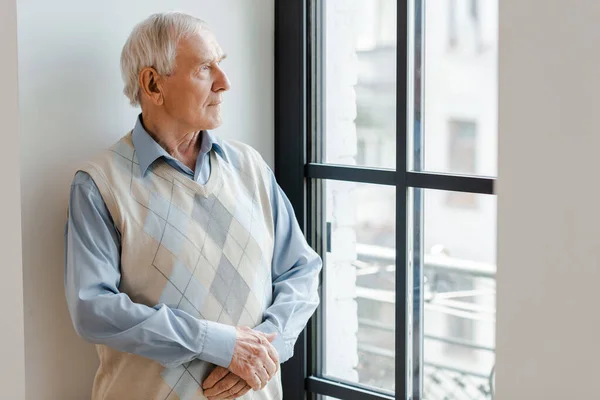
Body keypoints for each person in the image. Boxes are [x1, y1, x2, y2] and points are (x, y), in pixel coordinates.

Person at [64, 11, 321, 400]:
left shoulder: (249, 166)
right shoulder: (100, 184)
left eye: (222, 64)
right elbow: (93, 309)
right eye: (205, 68)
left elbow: (301, 271)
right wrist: (219, 344)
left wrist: (265, 351)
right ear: (152, 84)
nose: (225, 82)